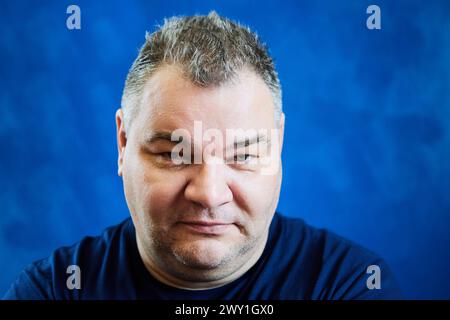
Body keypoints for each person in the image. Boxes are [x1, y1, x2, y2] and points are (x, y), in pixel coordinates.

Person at [3, 11, 401, 300]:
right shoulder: (54, 290)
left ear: (278, 145)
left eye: (242, 154)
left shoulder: (350, 284)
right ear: (123, 144)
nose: (210, 195)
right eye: (175, 155)